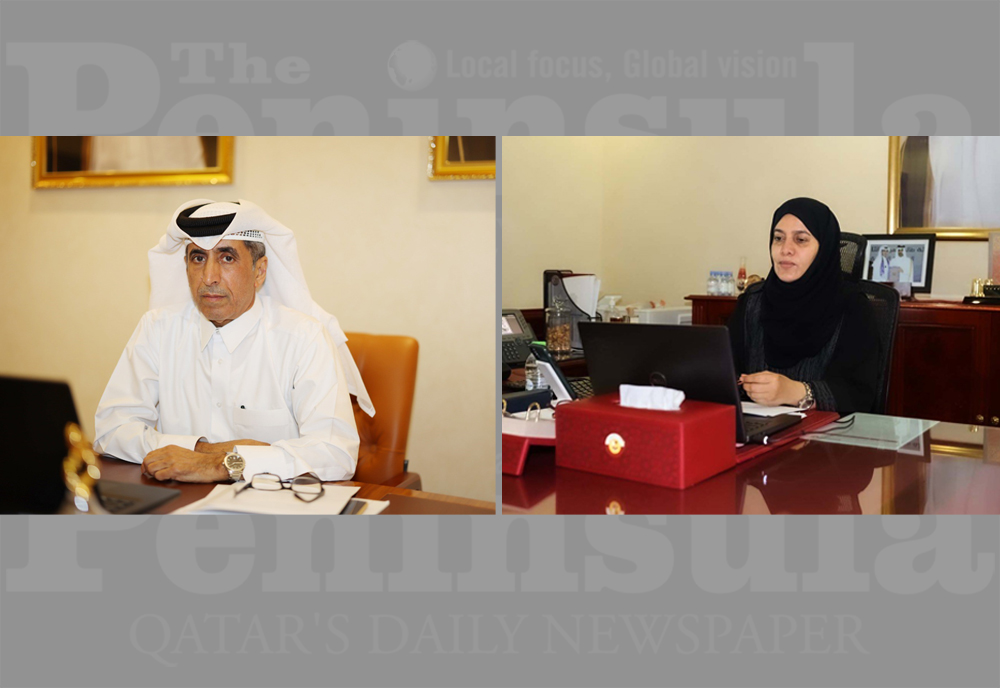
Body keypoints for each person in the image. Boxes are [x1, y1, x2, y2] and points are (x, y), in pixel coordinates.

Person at [94, 199, 374, 483]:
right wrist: (202, 451)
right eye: (198, 258)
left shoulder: (304, 338)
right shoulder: (158, 329)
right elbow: (111, 430)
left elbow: (335, 453)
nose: (209, 277)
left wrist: (221, 464)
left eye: (227, 258)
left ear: (260, 271)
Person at [727, 198, 880, 414]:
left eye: (800, 240)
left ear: (824, 249)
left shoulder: (853, 307)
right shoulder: (752, 302)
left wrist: (796, 392)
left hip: (828, 440)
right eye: (778, 238)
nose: (785, 249)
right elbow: (725, 376)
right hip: (756, 432)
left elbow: (858, 396)